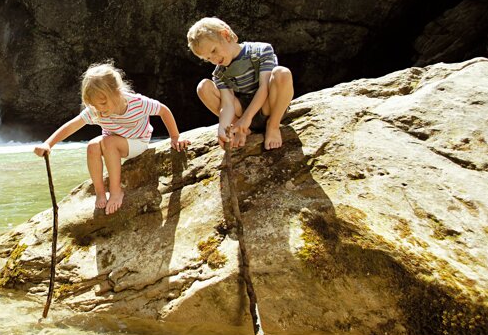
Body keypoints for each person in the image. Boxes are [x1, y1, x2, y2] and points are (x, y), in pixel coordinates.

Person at [34, 62, 190, 215]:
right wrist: (48, 144)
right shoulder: (97, 110)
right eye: (95, 105)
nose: (100, 109)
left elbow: (164, 111)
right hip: (113, 143)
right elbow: (72, 126)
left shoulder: (137, 103)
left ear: (117, 92)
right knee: (92, 146)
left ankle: (116, 192)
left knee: (108, 141)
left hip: (138, 142)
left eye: (103, 102)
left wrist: (175, 137)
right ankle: (100, 192)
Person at [186, 16, 294, 150]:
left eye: (214, 51)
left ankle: (273, 125)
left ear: (226, 35)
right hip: (242, 113)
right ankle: (240, 130)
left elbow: (264, 87)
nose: (214, 59)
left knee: (282, 73)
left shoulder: (261, 50)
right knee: (203, 87)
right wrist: (224, 127)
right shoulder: (220, 73)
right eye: (208, 58)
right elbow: (227, 104)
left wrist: (247, 118)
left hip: (268, 107)